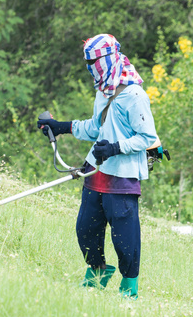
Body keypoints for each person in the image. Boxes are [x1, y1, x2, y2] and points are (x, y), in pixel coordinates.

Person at [37, 34, 158, 298]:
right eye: (88, 62)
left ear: (111, 58)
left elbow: (149, 138)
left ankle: (129, 287)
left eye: (96, 61)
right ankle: (98, 273)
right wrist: (62, 127)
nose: (92, 67)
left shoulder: (135, 95)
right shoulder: (103, 91)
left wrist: (116, 147)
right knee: (86, 229)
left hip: (123, 178)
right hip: (96, 170)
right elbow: (96, 127)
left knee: (125, 239)